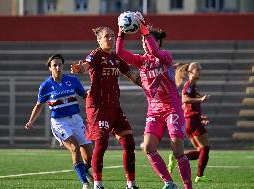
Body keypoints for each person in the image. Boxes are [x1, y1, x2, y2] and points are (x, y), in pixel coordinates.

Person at [116, 14, 193, 189]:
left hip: (172, 108)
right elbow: (120, 53)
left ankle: (188, 186)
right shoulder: (141, 61)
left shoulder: (164, 56)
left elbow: (155, 52)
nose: (144, 43)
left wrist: (143, 30)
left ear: (157, 42)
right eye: (143, 40)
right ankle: (169, 182)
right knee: (149, 147)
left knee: (178, 150)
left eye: (147, 40)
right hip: (154, 111)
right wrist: (121, 31)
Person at [71, 27, 140, 189]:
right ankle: (98, 184)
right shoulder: (96, 54)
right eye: (106, 36)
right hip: (98, 107)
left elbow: (131, 74)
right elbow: (86, 65)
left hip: (115, 106)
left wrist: (147, 84)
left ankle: (131, 184)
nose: (110, 39)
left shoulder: (116, 57)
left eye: (112, 36)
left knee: (129, 142)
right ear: (99, 40)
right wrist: (80, 68)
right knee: (102, 144)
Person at [25, 54, 93, 189]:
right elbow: (39, 105)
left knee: (90, 155)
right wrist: (31, 121)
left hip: (76, 119)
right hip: (59, 122)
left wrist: (92, 99)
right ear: (50, 68)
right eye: (54, 65)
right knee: (74, 148)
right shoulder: (45, 86)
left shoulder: (72, 80)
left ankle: (84, 169)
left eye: (60, 64)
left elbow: (85, 96)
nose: (58, 67)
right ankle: (84, 183)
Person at [168, 62, 211, 183]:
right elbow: (184, 99)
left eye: (200, 69)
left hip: (191, 120)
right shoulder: (189, 85)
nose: (199, 71)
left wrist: (199, 116)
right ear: (189, 72)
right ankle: (199, 176)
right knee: (205, 148)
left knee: (199, 151)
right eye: (196, 68)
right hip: (192, 121)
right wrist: (200, 99)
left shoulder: (193, 86)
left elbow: (185, 106)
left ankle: (177, 157)